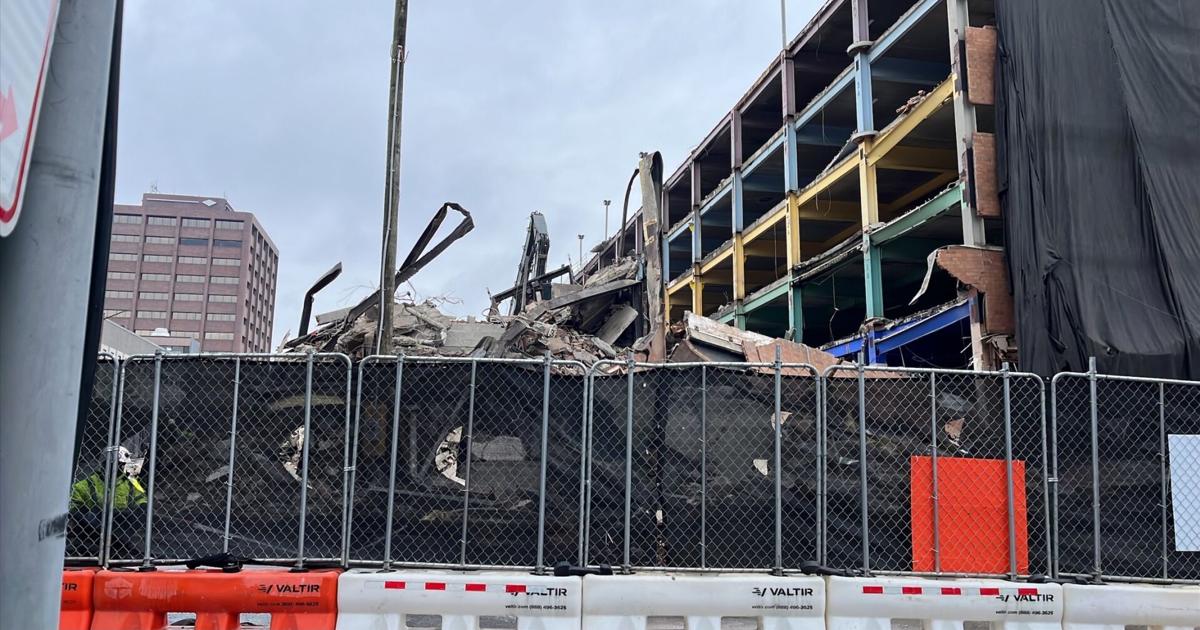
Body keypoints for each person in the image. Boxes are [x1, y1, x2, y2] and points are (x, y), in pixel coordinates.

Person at [68, 447, 147, 559]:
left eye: (122, 465)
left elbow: (142, 501)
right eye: (118, 464)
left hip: (123, 530)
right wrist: (84, 514)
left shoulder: (132, 483)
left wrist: (142, 508)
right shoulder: (87, 484)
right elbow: (74, 506)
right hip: (93, 532)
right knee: (91, 516)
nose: (121, 468)